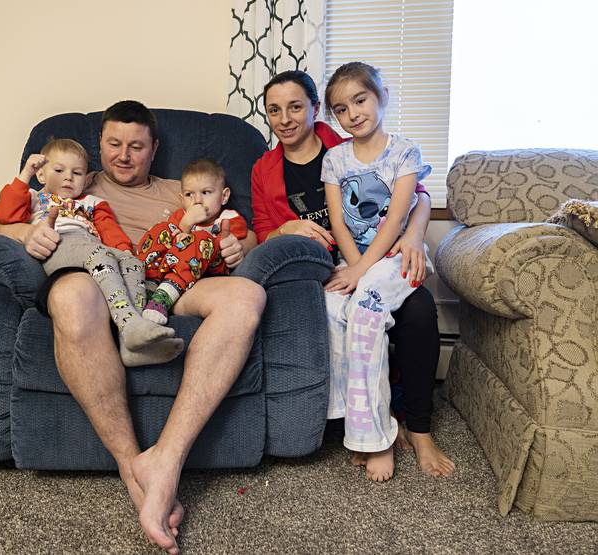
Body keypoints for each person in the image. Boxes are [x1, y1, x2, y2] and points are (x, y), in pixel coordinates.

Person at [0, 100, 263, 555]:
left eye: (136, 146)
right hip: (94, 281)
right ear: (99, 144)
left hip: (169, 284)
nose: (123, 155)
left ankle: (166, 459)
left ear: (154, 149)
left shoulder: (181, 189)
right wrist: (25, 235)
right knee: (71, 296)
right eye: (114, 144)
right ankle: (130, 465)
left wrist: (238, 244)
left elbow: (238, 229)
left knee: (247, 296)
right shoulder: (74, 181)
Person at [251, 69, 455, 479]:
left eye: (295, 107)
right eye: (274, 110)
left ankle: (418, 427)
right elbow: (261, 232)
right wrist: (284, 228)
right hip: (334, 267)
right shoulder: (266, 169)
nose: (286, 119)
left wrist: (414, 236)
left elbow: (413, 195)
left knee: (417, 312)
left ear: (314, 109)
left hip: (383, 257)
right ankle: (361, 424)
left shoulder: (344, 144)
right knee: (333, 312)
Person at [321, 61, 436, 481]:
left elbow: (396, 218)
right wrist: (352, 268)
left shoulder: (404, 151)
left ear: (381, 96)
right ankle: (354, 419)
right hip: (355, 260)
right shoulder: (335, 159)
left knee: (366, 313)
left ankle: (377, 440)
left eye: (360, 100)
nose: (352, 113)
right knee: (331, 306)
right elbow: (338, 221)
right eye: (341, 108)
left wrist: (364, 272)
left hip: (394, 260)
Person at [0, 138, 179, 365]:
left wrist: (124, 253)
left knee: (133, 263)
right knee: (101, 256)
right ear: (41, 175)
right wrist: (24, 176)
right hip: (58, 246)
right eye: (59, 170)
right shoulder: (33, 197)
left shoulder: (93, 202)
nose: (68, 177)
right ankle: (129, 324)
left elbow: (110, 232)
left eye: (77, 173)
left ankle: (133, 342)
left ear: (86, 178)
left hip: (92, 246)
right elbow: (4, 215)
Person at [138, 158, 248, 324]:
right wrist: (186, 224)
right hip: (171, 267)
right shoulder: (181, 217)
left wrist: (190, 233)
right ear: (182, 198)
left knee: (202, 239)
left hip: (211, 269)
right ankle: (149, 284)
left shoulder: (229, 218)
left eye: (206, 192)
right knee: (161, 230)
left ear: (224, 196)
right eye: (190, 194)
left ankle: (165, 296)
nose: (197, 201)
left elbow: (224, 244)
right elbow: (167, 244)